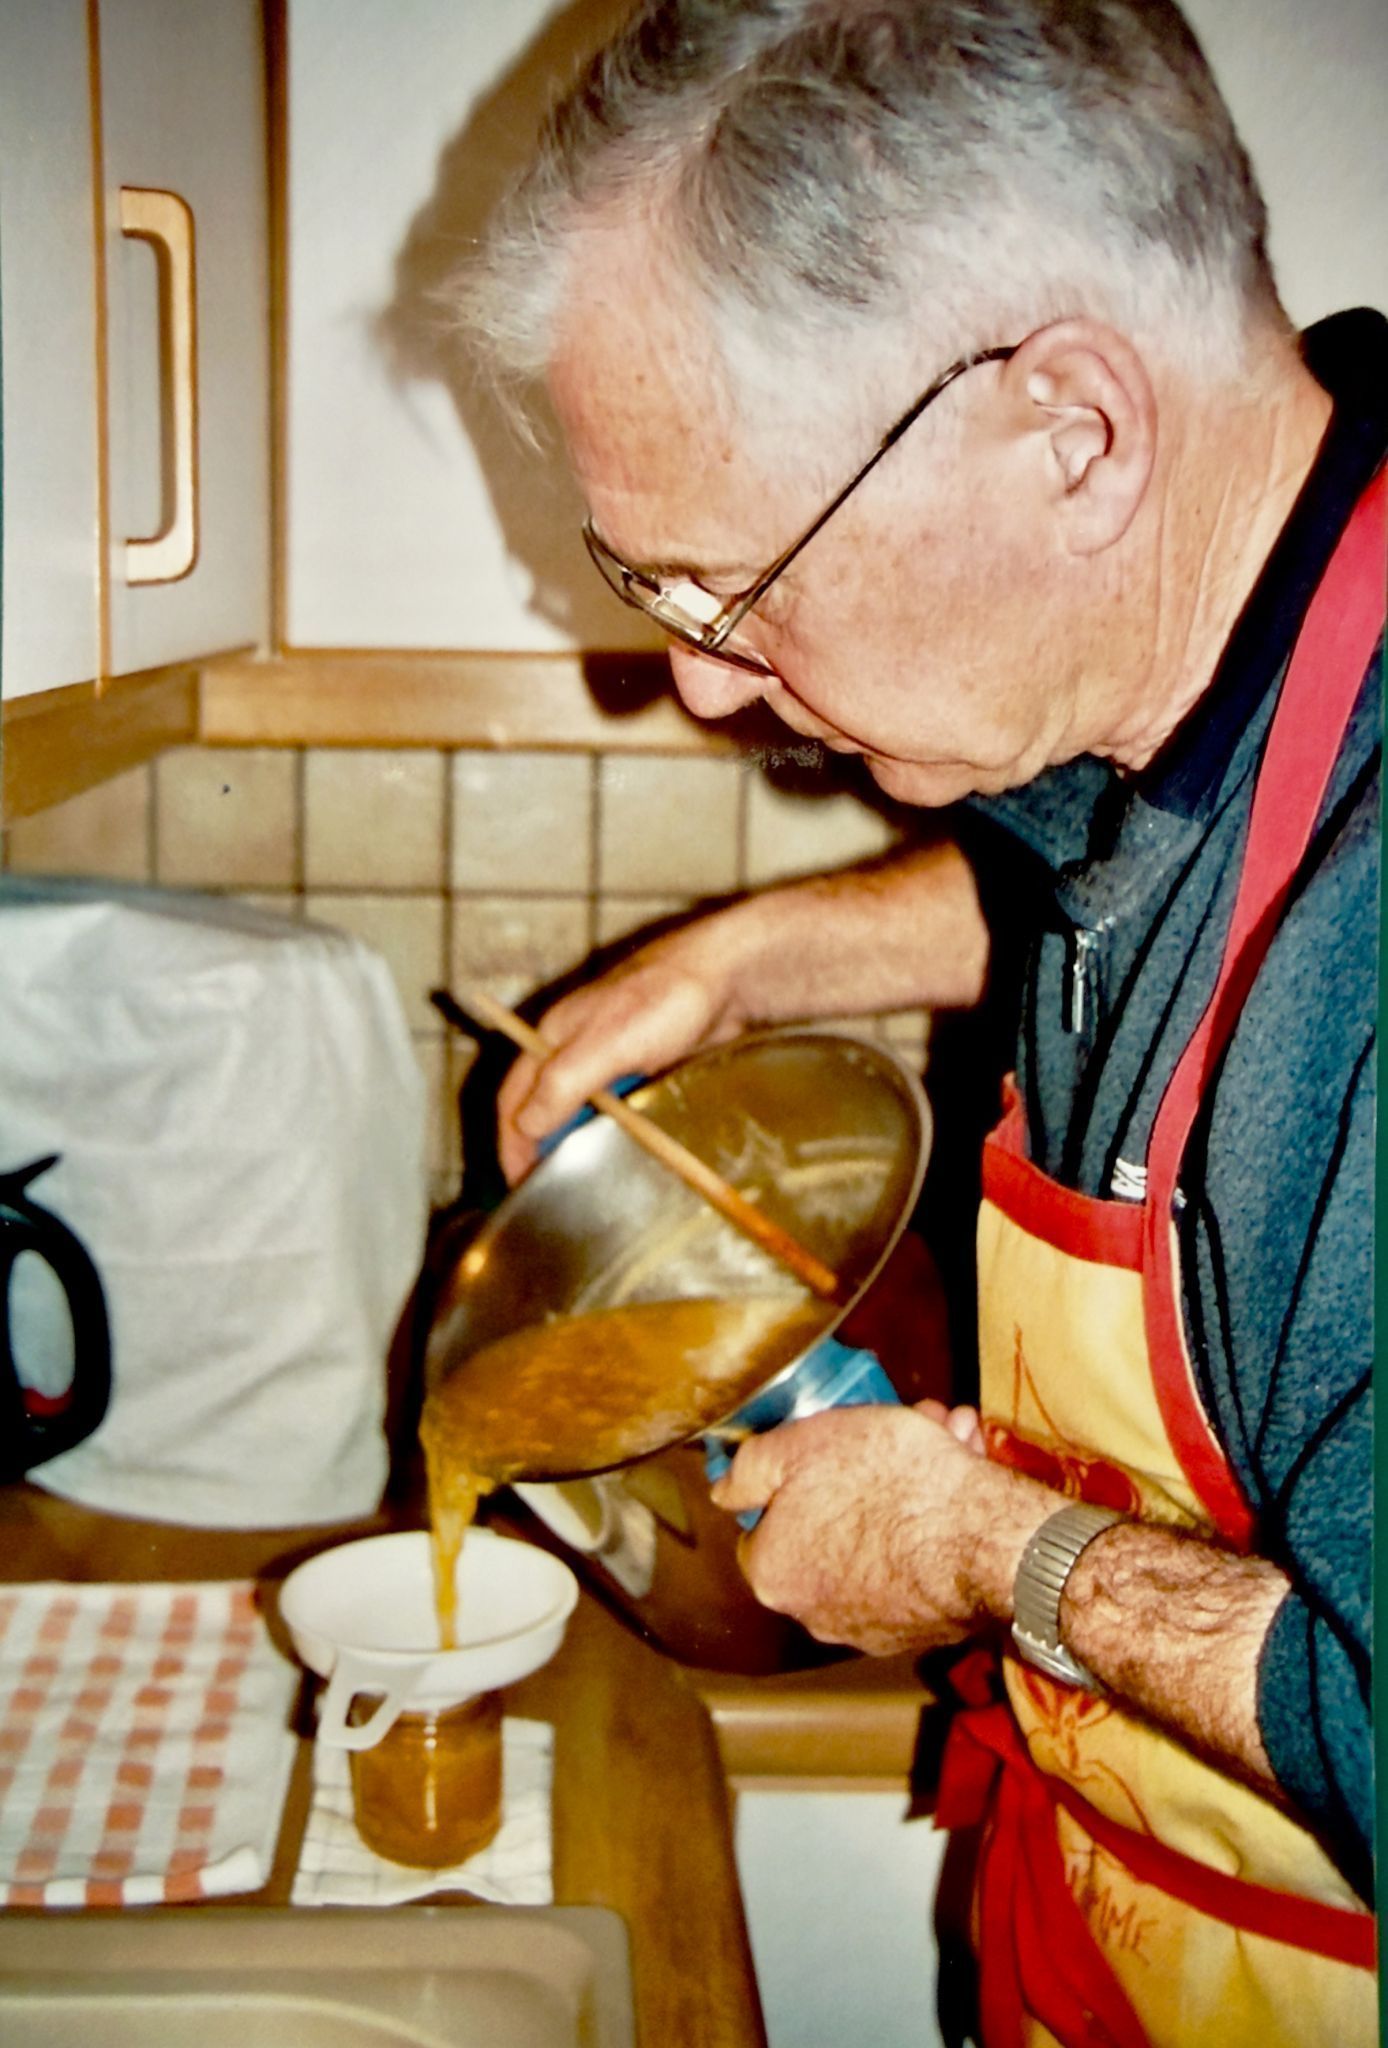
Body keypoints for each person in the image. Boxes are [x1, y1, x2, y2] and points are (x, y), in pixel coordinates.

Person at [449, 3, 1382, 2041]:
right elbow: (1110, 850)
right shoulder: (1259, 581)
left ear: (1070, 433)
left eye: (730, 584)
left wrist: (991, 1552)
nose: (701, 686)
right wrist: (762, 952)